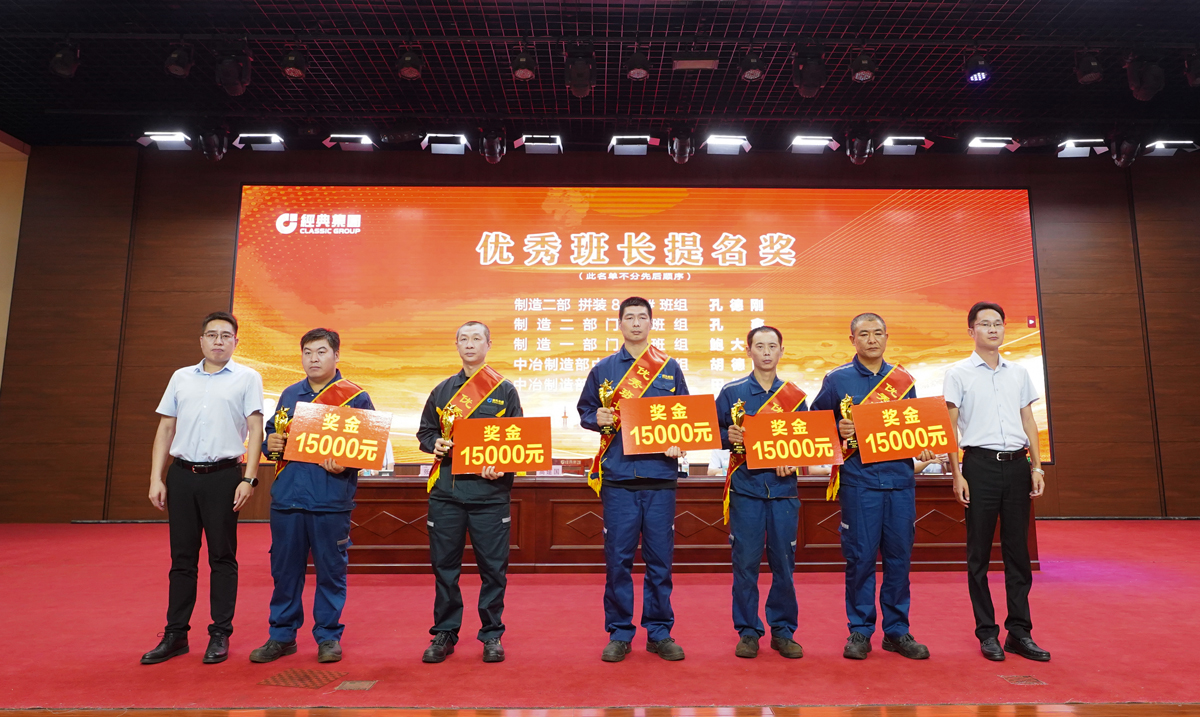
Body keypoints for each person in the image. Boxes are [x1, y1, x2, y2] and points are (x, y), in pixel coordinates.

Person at [811, 313, 936, 661]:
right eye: (864, 334)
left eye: (878, 333)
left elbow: (914, 427)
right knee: (860, 558)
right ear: (852, 339)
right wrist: (838, 429)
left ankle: (897, 631)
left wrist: (923, 447)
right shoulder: (837, 379)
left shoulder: (903, 380)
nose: (872, 340)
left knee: (899, 558)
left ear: (886, 337)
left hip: (899, 482)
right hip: (859, 483)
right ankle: (860, 630)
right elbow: (816, 425)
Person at [142, 311, 264, 665]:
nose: (218, 341)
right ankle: (175, 634)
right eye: (212, 335)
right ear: (201, 340)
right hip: (182, 476)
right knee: (182, 558)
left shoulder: (247, 378)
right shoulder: (181, 377)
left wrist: (249, 478)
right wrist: (156, 477)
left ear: (236, 342)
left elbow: (256, 429)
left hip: (224, 477)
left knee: (222, 557)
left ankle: (220, 634)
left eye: (226, 336)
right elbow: (166, 429)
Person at [249, 328, 376, 664]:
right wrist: (271, 444)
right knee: (284, 571)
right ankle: (281, 636)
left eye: (321, 352)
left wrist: (346, 462)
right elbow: (273, 437)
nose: (313, 359)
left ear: (336, 355)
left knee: (330, 572)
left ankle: (328, 636)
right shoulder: (290, 394)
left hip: (330, 501)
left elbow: (367, 447)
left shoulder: (355, 397)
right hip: (288, 499)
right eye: (307, 353)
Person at [578, 297, 690, 663]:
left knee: (660, 563)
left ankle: (659, 632)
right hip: (619, 479)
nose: (637, 323)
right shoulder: (604, 369)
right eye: (630, 317)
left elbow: (686, 418)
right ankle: (620, 633)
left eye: (643, 317)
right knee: (618, 562)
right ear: (620, 324)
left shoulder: (670, 368)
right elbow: (585, 411)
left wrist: (679, 441)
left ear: (651, 323)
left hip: (660, 477)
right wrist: (598, 418)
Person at [944, 302, 1050, 662]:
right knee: (978, 554)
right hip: (980, 466)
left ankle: (1019, 632)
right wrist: (957, 473)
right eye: (985, 324)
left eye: (998, 324)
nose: (993, 329)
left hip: (1018, 466)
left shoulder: (1018, 373)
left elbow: (1029, 421)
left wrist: (1037, 467)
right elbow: (949, 427)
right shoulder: (958, 373)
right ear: (971, 330)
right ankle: (986, 632)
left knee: (1018, 553)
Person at [417, 321, 522, 664]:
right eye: (463, 338)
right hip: (446, 494)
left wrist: (501, 465)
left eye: (477, 338)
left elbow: (517, 442)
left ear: (488, 344)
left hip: (489, 496)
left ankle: (492, 634)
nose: (470, 344)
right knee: (444, 568)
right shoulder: (442, 391)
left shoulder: (504, 391)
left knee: (493, 570)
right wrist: (435, 443)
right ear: (457, 345)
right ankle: (445, 633)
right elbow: (425, 432)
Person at [715, 326, 808, 659]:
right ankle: (748, 631)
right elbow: (711, 431)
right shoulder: (732, 392)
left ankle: (783, 631)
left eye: (772, 346)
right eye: (759, 346)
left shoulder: (796, 397)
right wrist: (728, 436)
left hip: (784, 492)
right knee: (745, 565)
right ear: (748, 351)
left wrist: (794, 459)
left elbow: (808, 441)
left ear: (782, 350)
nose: (766, 352)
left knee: (784, 564)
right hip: (746, 490)